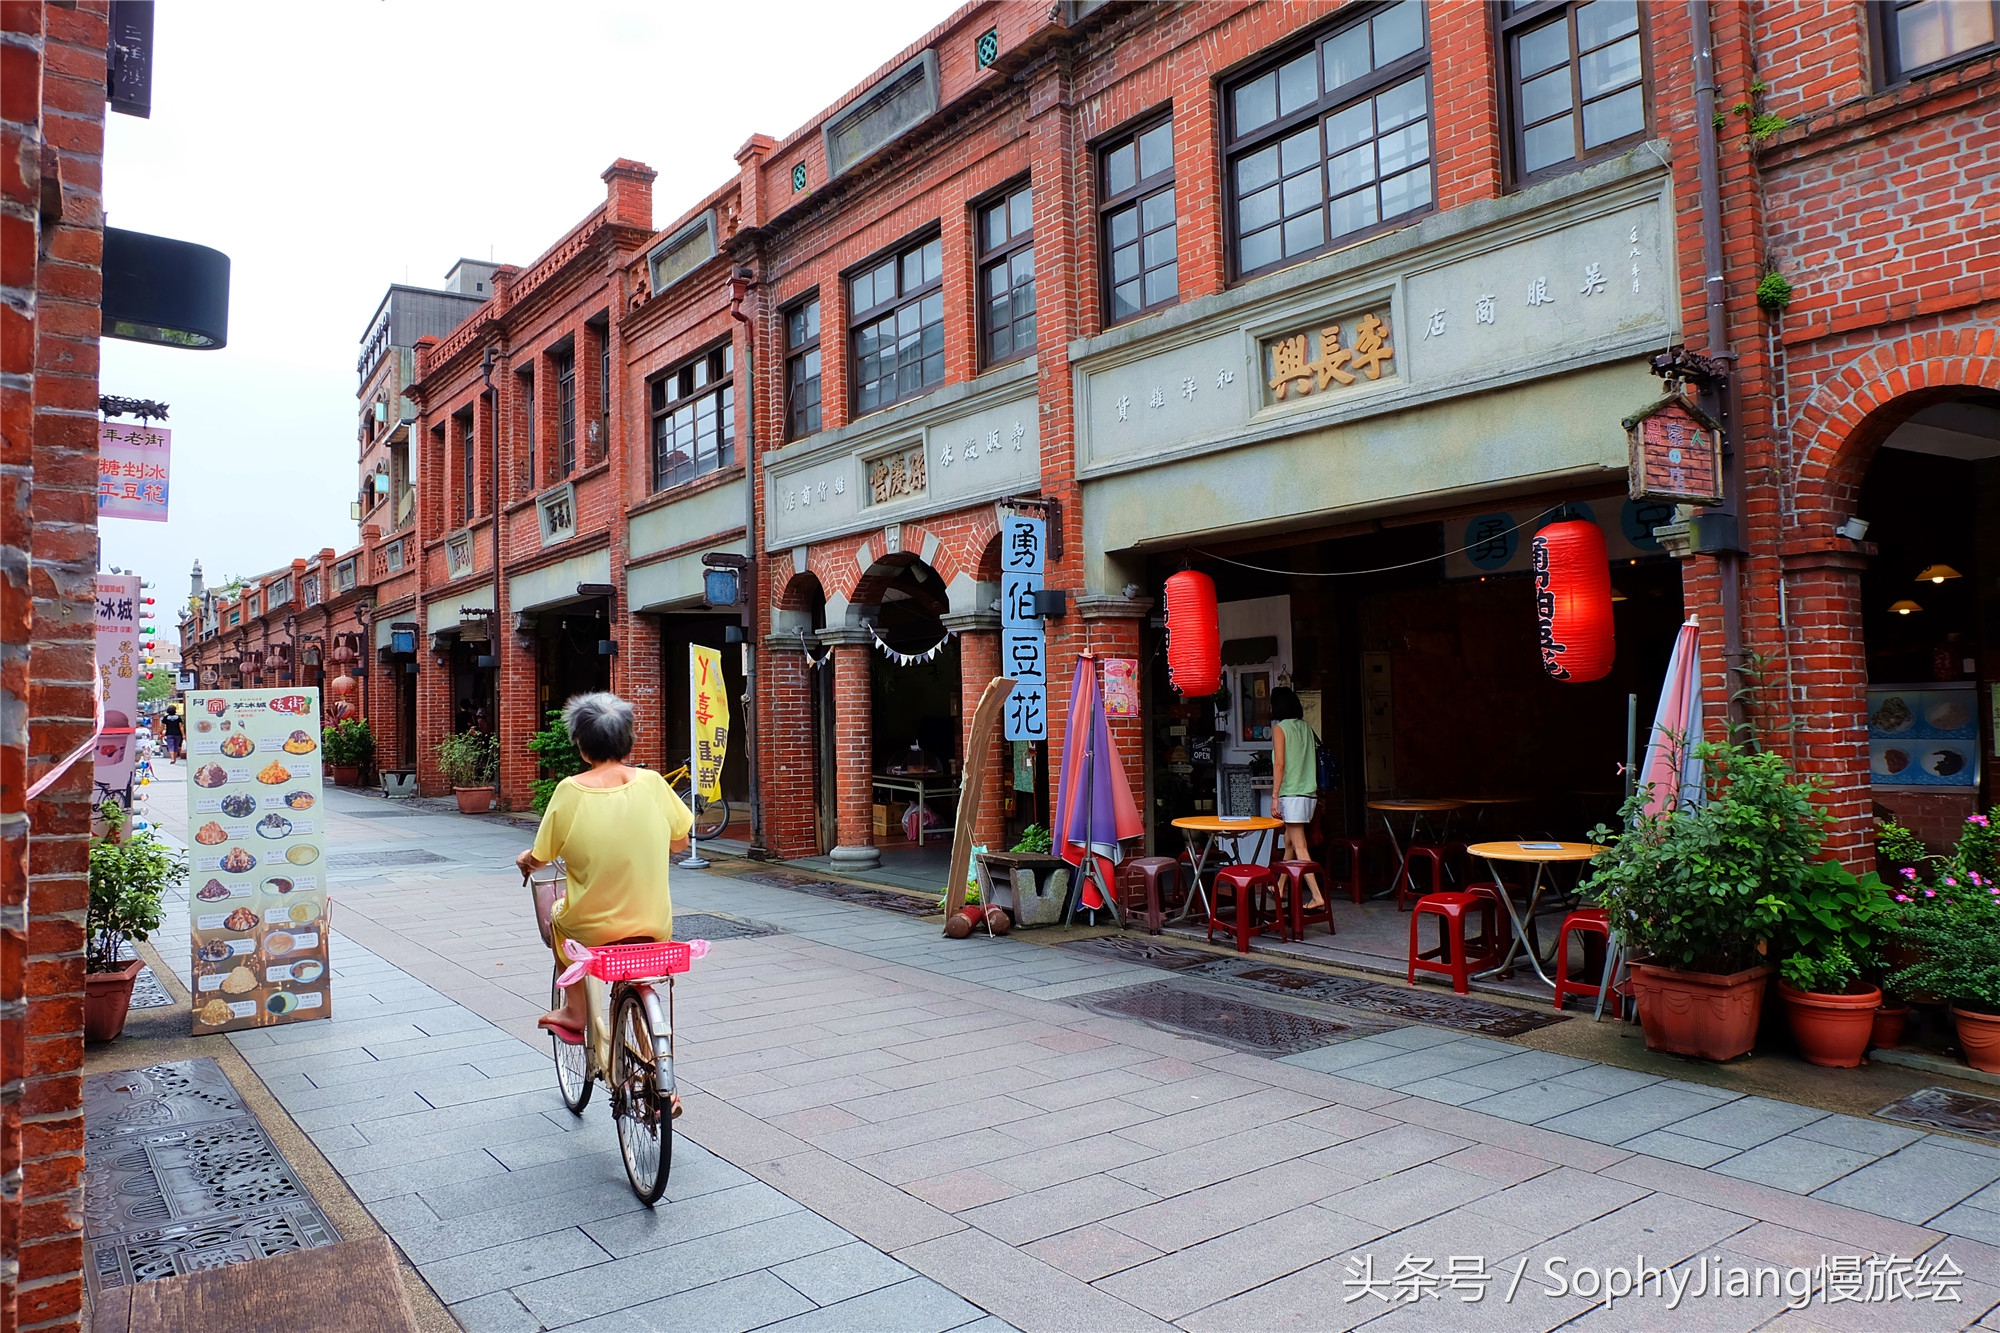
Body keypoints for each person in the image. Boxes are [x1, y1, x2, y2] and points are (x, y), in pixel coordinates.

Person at [516, 692, 692, 1050]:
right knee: (639, 974)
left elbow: (543, 855)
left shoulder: (570, 790)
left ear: (582, 747)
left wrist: (527, 861)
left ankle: (575, 1010)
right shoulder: (654, 783)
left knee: (556, 916)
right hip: (653, 924)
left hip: (591, 927)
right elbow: (680, 843)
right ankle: (657, 1069)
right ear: (628, 743)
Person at [1268, 687, 1325, 912]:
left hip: (1291, 794)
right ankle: (1280, 886)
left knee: (1300, 845)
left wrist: (1275, 796)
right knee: (1290, 840)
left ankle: (1317, 895)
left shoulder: (1280, 729)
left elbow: (1279, 763)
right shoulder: (1306, 728)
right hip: (1309, 793)